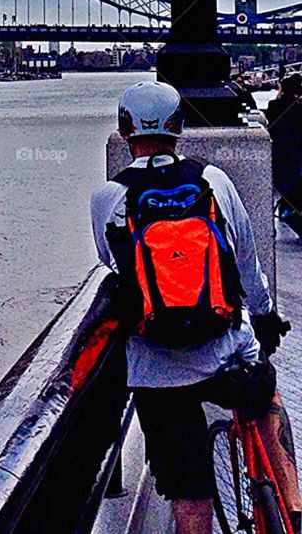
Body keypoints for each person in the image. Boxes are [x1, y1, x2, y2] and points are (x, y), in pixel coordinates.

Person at [91, 81, 301, 534]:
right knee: (266, 393)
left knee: (191, 495)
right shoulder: (214, 181)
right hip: (225, 348)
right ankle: (291, 503)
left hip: (158, 369)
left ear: (124, 128)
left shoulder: (109, 197)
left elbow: (113, 265)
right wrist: (263, 318)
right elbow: (246, 261)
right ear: (178, 126)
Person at [267, 72, 302, 236]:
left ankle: (286, 209)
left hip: (279, 149)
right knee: (295, 182)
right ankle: (291, 211)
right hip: (296, 149)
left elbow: (271, 128)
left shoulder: (273, 105)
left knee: (283, 183)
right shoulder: (299, 107)